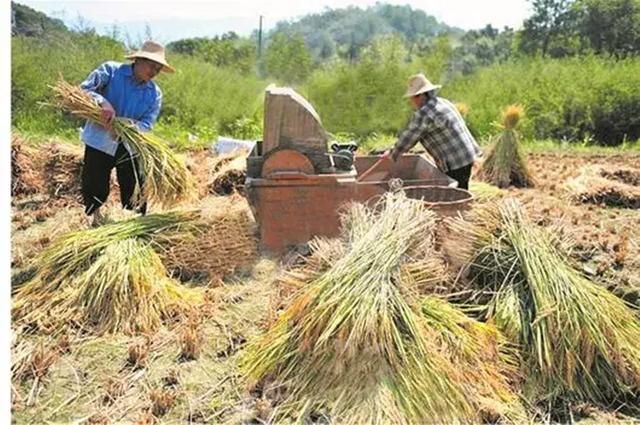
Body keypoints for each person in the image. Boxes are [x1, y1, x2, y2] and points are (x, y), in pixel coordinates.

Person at [79, 40, 175, 226]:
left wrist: (126, 127)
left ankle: (136, 224)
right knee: (94, 183)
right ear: (138, 60)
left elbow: (147, 124)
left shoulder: (154, 93)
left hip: (130, 146)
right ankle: (94, 220)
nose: (154, 71)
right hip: (99, 140)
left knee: (135, 186)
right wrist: (102, 103)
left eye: (158, 68)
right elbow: (84, 90)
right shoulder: (111, 71)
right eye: (151, 65)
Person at [385, 73, 481, 190]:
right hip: (467, 154)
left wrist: (392, 153)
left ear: (420, 96)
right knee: (462, 187)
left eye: (412, 97)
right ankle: (463, 205)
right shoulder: (443, 102)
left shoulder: (424, 113)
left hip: (454, 160)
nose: (411, 101)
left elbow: (409, 138)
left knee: (455, 193)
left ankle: (459, 207)